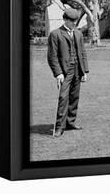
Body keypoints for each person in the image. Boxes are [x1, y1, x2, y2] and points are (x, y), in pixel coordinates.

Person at [47, 8, 89, 137]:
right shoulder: (55, 34)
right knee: (63, 98)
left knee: (74, 97)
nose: (74, 23)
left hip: (78, 70)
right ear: (65, 19)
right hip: (65, 72)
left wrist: (85, 71)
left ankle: (70, 122)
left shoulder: (78, 33)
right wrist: (58, 73)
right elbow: (52, 56)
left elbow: (82, 53)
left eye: (75, 21)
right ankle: (59, 127)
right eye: (71, 21)